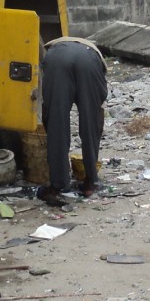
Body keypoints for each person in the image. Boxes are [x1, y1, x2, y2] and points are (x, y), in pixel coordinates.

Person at [39, 36, 109, 207]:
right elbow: (99, 104)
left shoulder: (51, 50)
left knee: (57, 122)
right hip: (90, 62)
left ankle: (58, 185)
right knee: (91, 122)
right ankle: (90, 182)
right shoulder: (92, 50)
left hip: (58, 61)